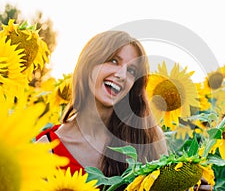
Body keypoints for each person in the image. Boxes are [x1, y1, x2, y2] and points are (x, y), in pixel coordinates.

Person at [36, 30, 212, 191]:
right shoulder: (45, 148)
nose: (121, 75)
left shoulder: (147, 139)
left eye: (132, 71)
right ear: (88, 64)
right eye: (113, 61)